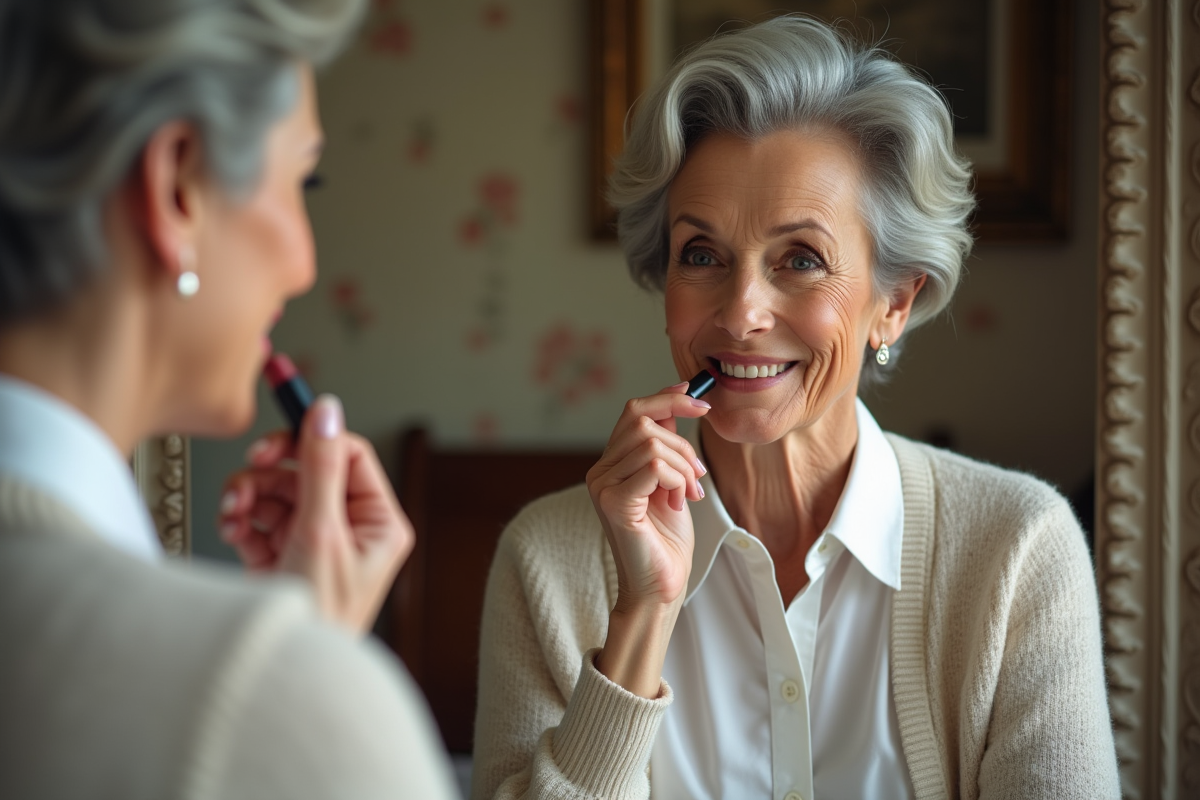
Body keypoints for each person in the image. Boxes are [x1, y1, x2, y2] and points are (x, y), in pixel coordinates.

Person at [471, 16, 1119, 800]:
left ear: (894, 304)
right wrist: (641, 616)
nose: (741, 312)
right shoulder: (547, 559)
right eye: (702, 255)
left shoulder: (1018, 551)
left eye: (801, 260)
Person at [0, 0, 458, 797]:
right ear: (178, 185)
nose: (306, 265)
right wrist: (296, 682)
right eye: (300, 179)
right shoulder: (267, 704)